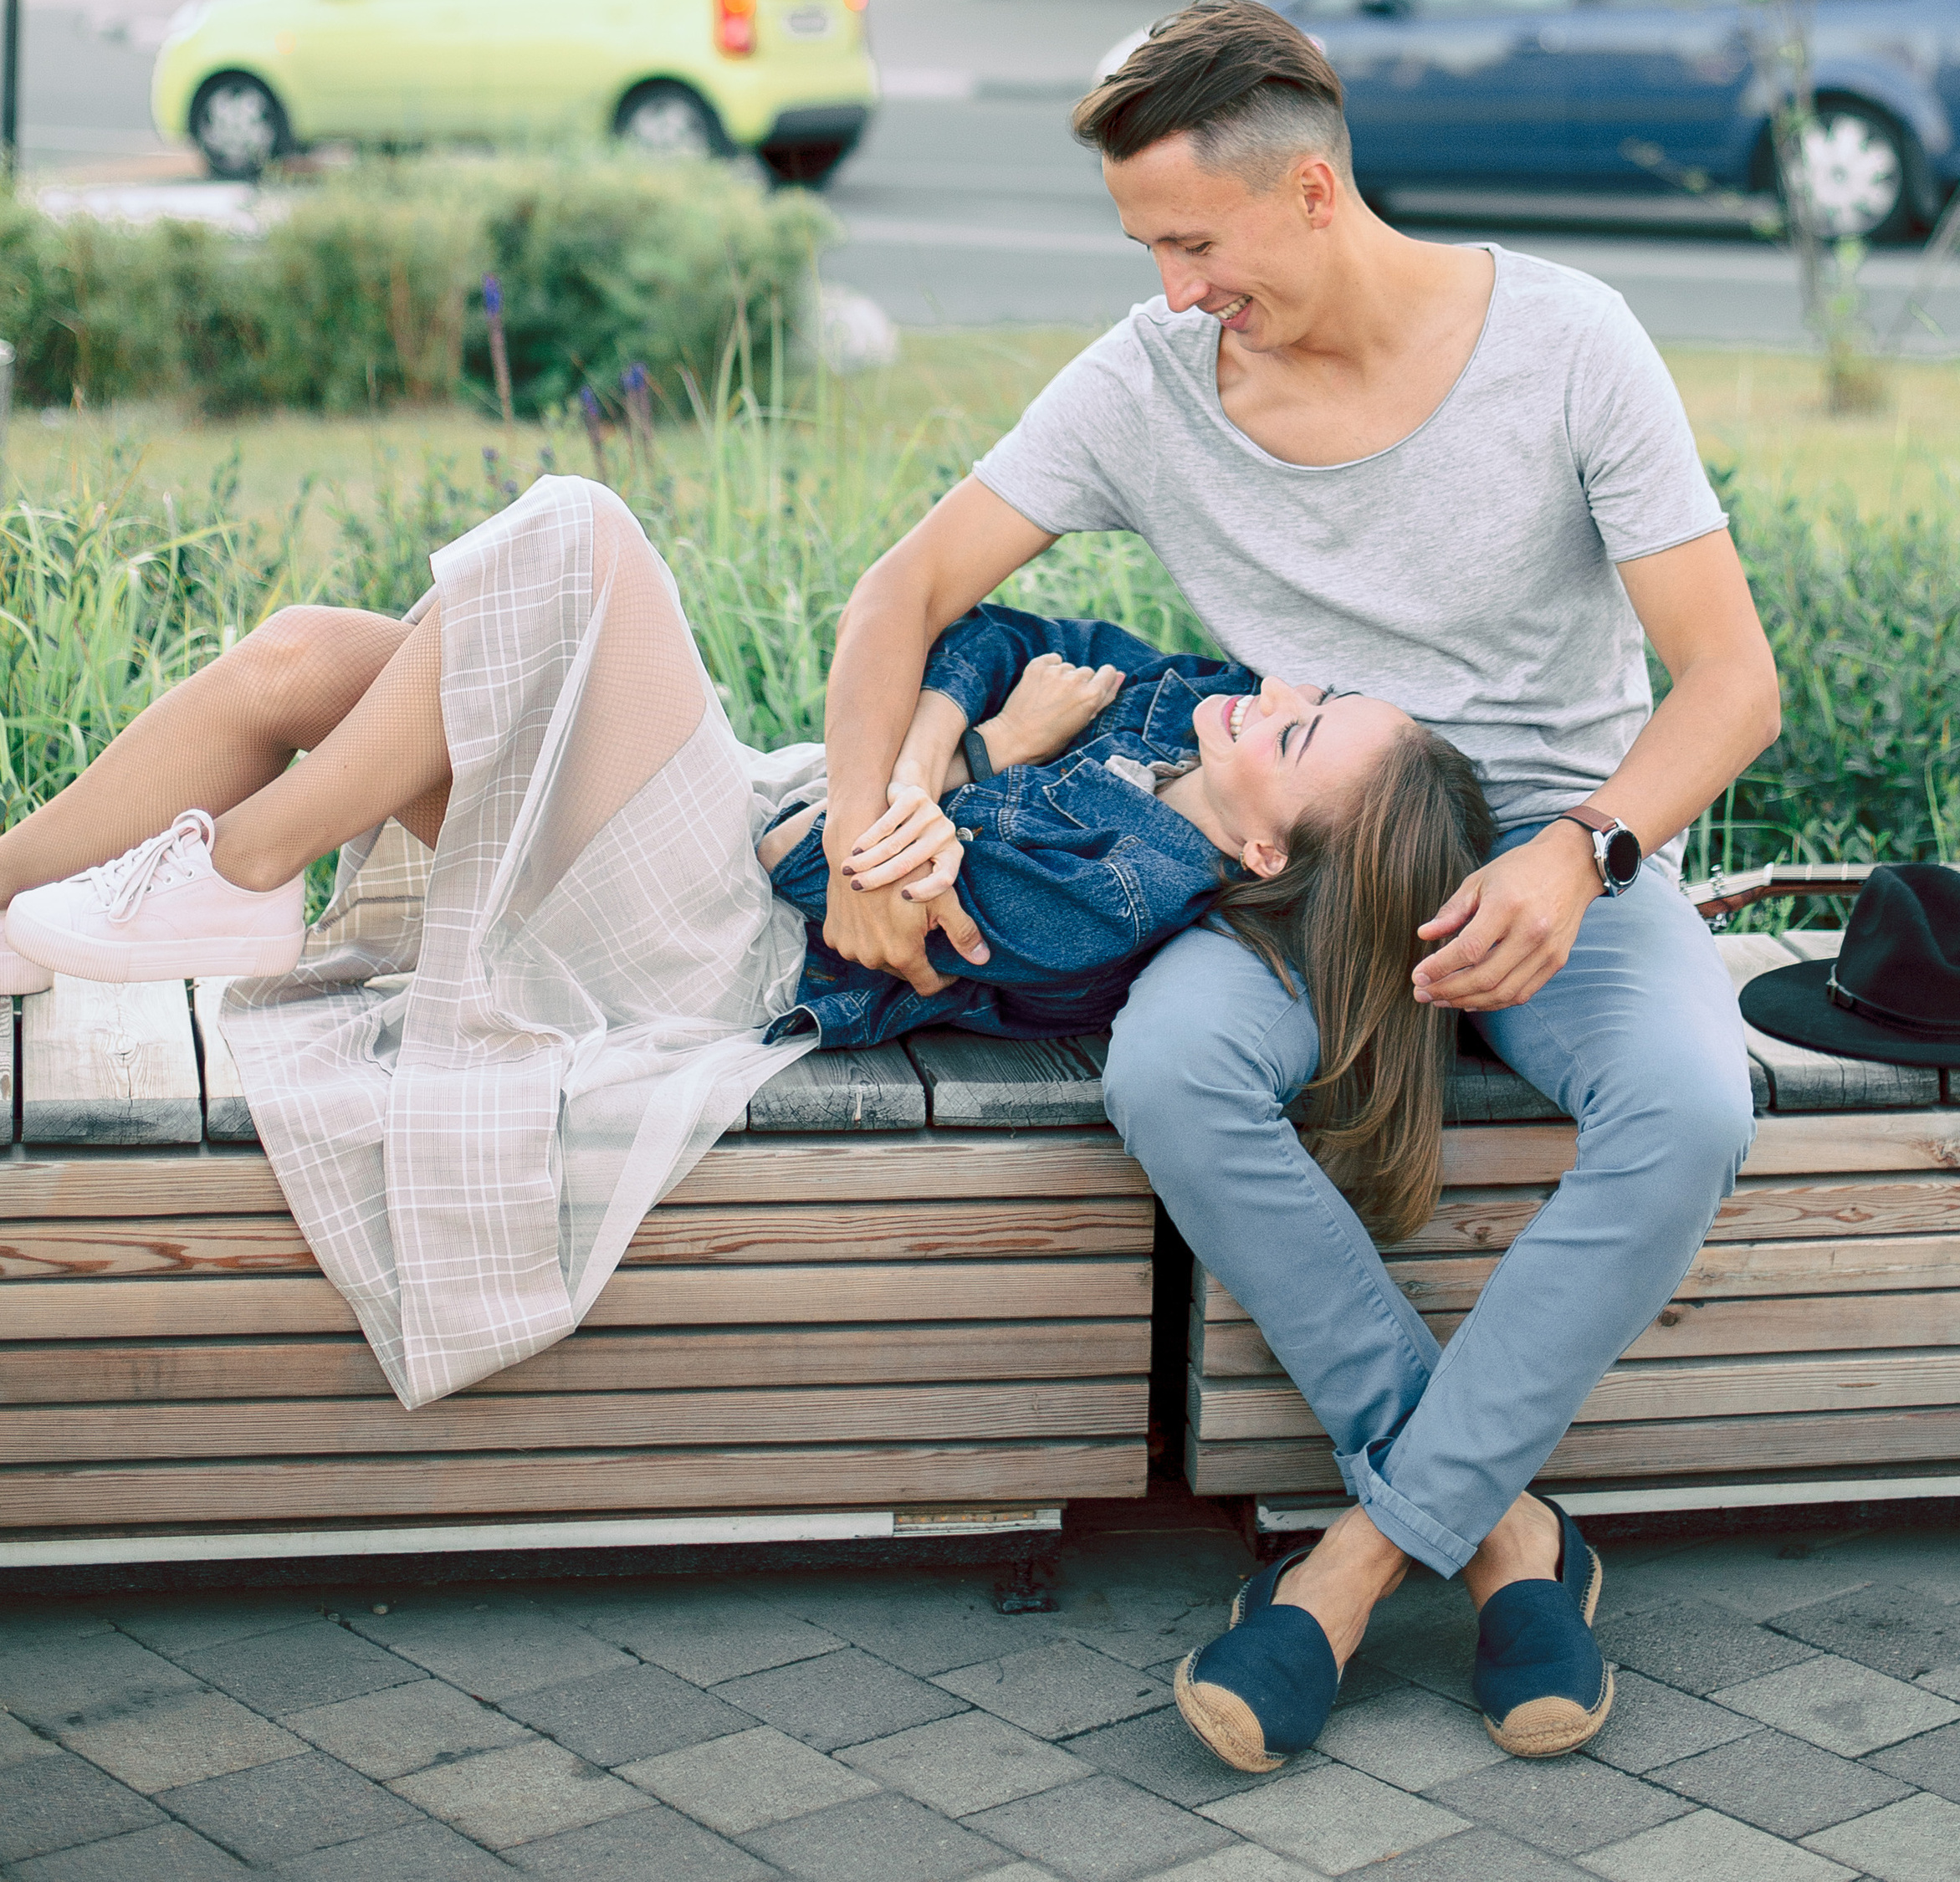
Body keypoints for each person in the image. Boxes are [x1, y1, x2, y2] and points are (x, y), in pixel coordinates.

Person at [811, 0, 1780, 1765]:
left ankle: (1341, 1574)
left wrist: (1583, 854)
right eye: (1146, 247)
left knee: (1688, 1108)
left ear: (1312, 189)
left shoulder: (1567, 345)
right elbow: (905, 591)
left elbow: (1732, 679)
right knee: (1168, 1070)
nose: (1171, 290)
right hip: (1291, 867)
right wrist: (874, 821)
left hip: (1556, 846)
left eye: (1192, 241)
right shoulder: (1150, 377)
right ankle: (1499, 1538)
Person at [0, 476, 1487, 1409]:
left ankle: (247, 867)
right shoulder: (1186, 703)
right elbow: (987, 638)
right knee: (308, 659)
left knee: (584, 533)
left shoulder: (1119, 890)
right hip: (727, 845)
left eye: (1296, 731)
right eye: (1311, 690)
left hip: (715, 945)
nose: (1268, 692)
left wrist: (966, 764)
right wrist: (945, 748)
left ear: (1269, 849)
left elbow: (798, 870)